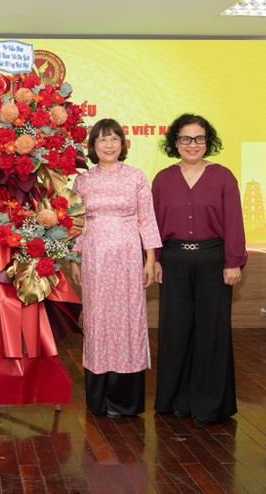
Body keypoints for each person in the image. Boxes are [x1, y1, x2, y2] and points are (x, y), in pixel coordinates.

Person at [151, 113, 247, 428]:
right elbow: (153, 225)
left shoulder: (223, 177)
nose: (192, 144)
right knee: (175, 332)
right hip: (174, 263)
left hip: (213, 263)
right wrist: (154, 259)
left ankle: (209, 405)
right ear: (175, 142)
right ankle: (177, 400)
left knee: (212, 332)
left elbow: (234, 222)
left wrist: (233, 261)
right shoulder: (162, 179)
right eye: (185, 138)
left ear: (208, 142)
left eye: (199, 138)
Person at [69, 118, 161, 418]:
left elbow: (147, 219)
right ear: (93, 146)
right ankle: (99, 399)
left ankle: (125, 400)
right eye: (102, 139)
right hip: (94, 257)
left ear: (123, 144)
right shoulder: (83, 181)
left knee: (128, 319)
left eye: (114, 139)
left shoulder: (136, 177)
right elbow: (77, 223)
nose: (108, 145)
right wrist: (74, 259)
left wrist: (150, 259)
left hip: (128, 257)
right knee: (97, 320)